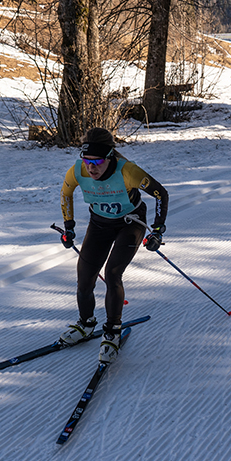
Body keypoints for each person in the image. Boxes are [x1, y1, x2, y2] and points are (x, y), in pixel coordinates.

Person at [57, 127, 169, 363]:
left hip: (131, 223)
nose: (91, 167)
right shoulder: (78, 171)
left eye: (97, 161)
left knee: (112, 273)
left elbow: (160, 194)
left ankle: (112, 332)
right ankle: (86, 324)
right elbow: (65, 193)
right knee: (84, 277)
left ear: (110, 158)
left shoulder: (127, 171)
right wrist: (69, 226)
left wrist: (157, 230)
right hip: (99, 225)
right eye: (87, 161)